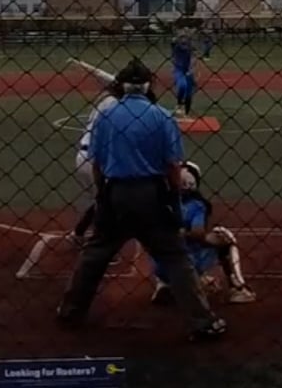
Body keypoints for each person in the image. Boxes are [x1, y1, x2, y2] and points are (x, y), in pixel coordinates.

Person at [56, 60, 226, 341]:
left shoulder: (106, 115)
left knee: (95, 254)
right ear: (148, 86)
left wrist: (103, 195)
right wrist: (173, 200)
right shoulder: (161, 116)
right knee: (175, 256)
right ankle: (202, 322)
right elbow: (173, 167)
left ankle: (70, 311)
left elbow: (97, 163)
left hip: (116, 192)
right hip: (151, 195)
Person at [149, 161, 256, 306]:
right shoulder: (196, 205)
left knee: (159, 241)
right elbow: (198, 233)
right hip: (189, 264)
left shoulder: (160, 203)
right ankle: (238, 289)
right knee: (224, 236)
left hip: (161, 266)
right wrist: (206, 238)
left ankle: (164, 285)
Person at [67, 61, 130, 245]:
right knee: (108, 202)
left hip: (83, 156)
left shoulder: (108, 100)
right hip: (96, 160)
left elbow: (103, 76)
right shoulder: (118, 106)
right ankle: (100, 241)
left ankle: (79, 234)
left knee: (102, 200)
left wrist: (82, 65)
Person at [170, 30, 198, 116]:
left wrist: (191, 68)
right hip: (179, 69)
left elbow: (194, 58)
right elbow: (173, 42)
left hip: (188, 70)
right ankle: (179, 104)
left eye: (185, 37)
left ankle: (186, 113)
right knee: (182, 86)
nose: (183, 40)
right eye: (181, 38)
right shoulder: (176, 46)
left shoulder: (191, 47)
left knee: (189, 94)